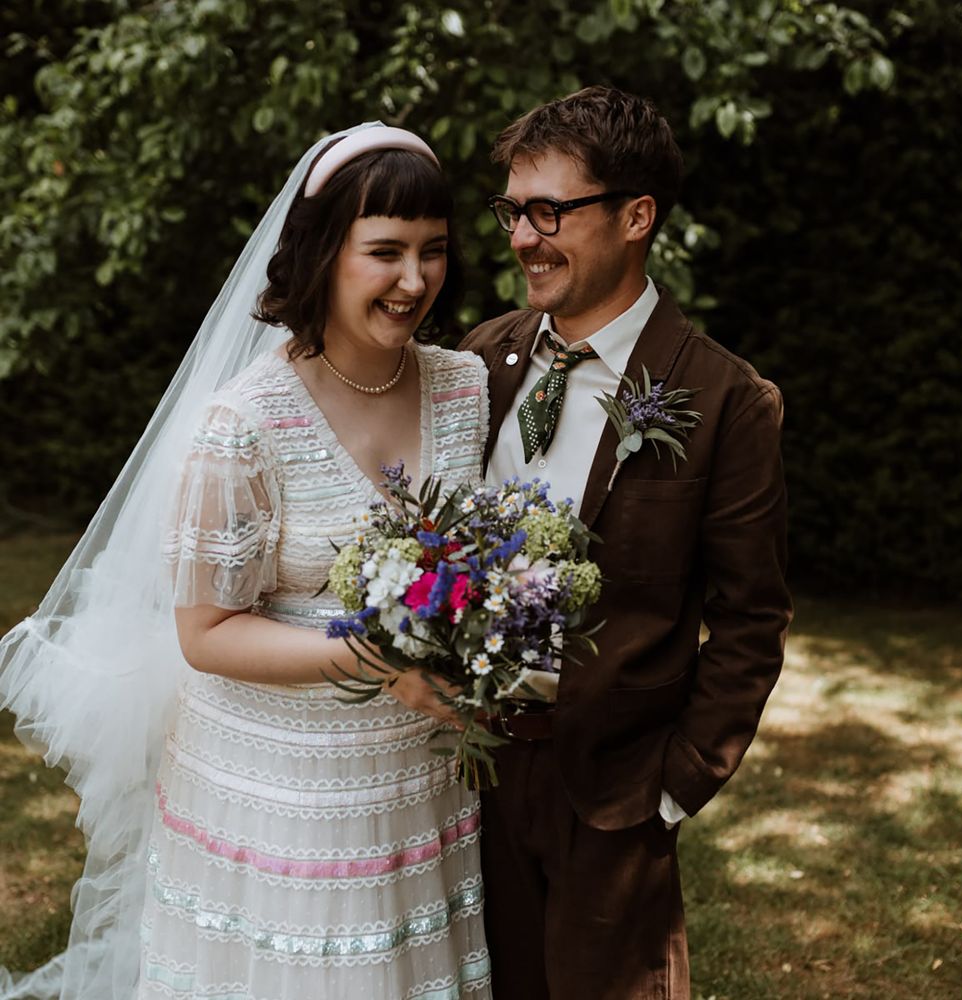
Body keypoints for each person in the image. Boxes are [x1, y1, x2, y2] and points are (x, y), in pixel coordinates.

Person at [0, 125, 492, 1000]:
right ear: (321, 255)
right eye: (384, 252)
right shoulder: (245, 422)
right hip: (278, 793)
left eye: (433, 251)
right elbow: (209, 633)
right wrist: (385, 661)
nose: (414, 281)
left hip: (417, 780)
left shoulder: (465, 388)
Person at [460, 86, 793, 999]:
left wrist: (675, 786)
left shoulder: (726, 399)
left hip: (612, 795)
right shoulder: (482, 358)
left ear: (636, 215)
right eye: (513, 211)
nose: (523, 236)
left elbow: (751, 619)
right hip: (468, 775)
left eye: (549, 210)